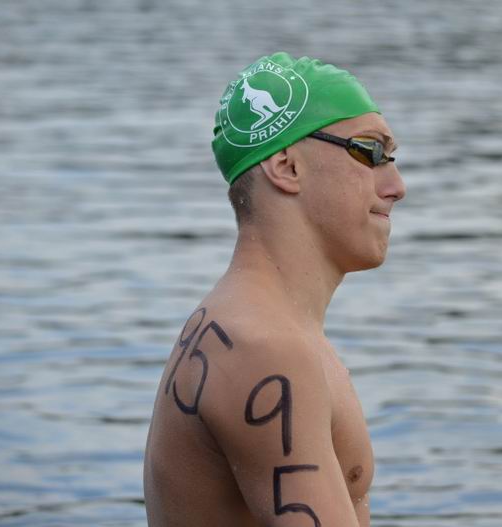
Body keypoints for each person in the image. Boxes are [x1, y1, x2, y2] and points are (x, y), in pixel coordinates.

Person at [143, 52, 406, 527]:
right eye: (370, 151)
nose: (396, 185)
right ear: (287, 167)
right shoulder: (265, 349)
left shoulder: (256, 326)